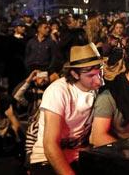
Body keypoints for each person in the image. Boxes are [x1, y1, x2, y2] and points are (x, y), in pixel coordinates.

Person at [29, 43, 105, 175]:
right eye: (91, 76)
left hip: (77, 156)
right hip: (47, 159)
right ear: (75, 74)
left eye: (100, 73)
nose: (99, 81)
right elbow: (50, 145)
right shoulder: (58, 91)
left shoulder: (96, 90)